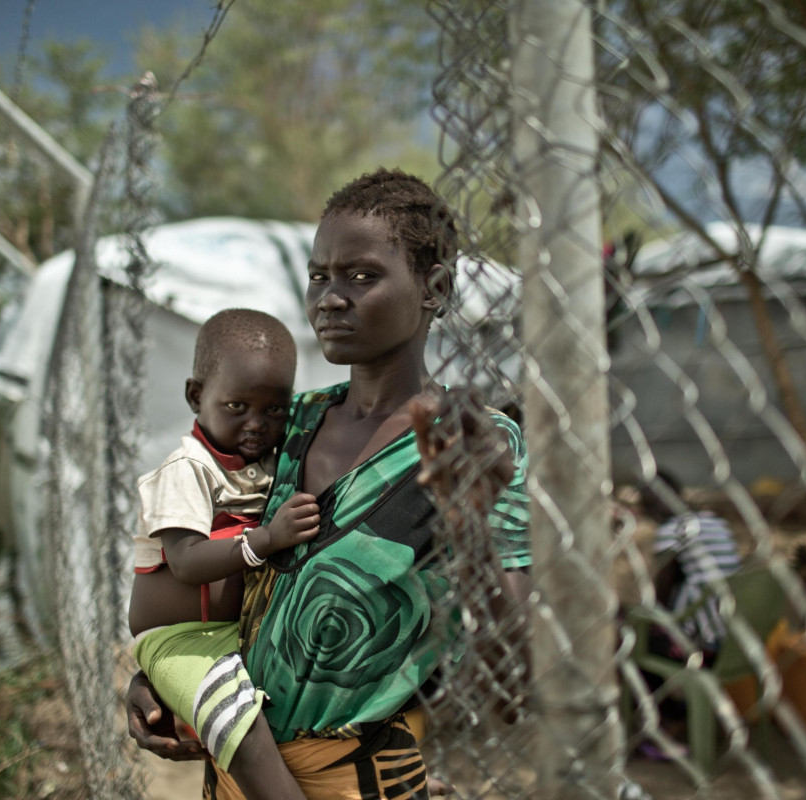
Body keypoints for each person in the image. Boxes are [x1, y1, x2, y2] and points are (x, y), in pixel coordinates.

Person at [126, 168, 531, 800]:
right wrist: (164, 675)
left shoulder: (472, 442)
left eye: (362, 277)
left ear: (436, 289)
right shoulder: (287, 424)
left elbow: (516, 675)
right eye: (320, 276)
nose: (330, 298)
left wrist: (468, 520)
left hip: (357, 776)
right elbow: (227, 575)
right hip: (237, 773)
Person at [128, 308, 320, 800]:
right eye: (237, 406)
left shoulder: (271, 464)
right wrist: (266, 540)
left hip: (237, 633)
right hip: (180, 640)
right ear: (196, 396)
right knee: (240, 725)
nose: (257, 424)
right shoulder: (188, 470)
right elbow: (189, 561)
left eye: (274, 410)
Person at [642, 470, 741, 661]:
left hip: (703, 634)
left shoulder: (671, 530)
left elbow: (660, 589)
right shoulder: (713, 520)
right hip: (730, 624)